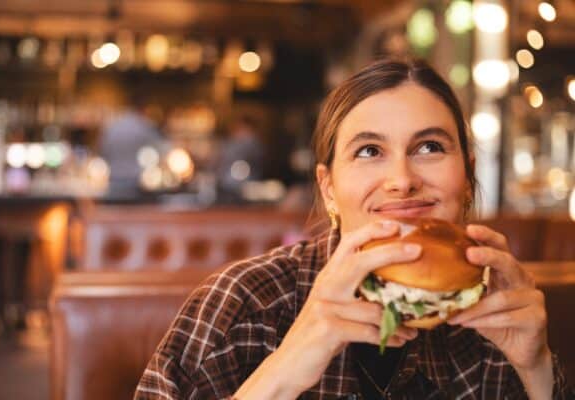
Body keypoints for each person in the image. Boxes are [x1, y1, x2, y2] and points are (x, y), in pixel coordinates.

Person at [134, 58, 572, 399]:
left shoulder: (501, 311)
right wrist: (286, 368)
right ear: (328, 188)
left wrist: (536, 372)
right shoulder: (245, 304)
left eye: (429, 147)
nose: (402, 179)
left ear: (468, 178)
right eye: (368, 151)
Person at [99, 95, 163, 199]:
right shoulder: (144, 126)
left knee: (116, 213)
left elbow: (103, 152)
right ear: (143, 108)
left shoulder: (113, 126)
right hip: (136, 182)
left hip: (114, 181)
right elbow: (158, 150)